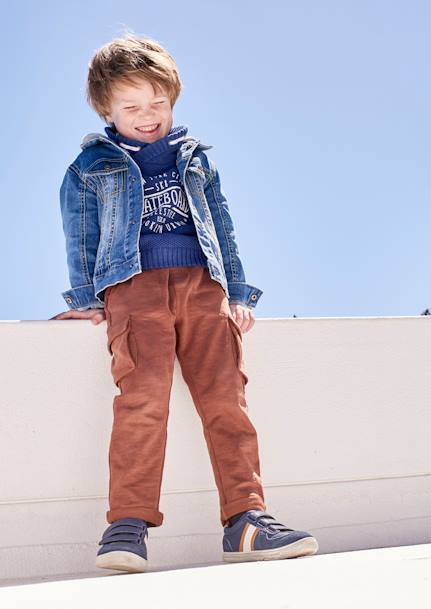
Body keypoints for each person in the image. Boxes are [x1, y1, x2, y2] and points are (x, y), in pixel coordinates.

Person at [51, 33, 318, 572]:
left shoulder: (195, 159)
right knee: (142, 403)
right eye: (131, 107)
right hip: (135, 289)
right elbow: (80, 233)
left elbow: (223, 227)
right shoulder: (90, 167)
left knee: (226, 401)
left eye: (159, 104)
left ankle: (246, 519)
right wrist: (88, 298)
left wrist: (236, 291)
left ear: (173, 100)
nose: (147, 116)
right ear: (107, 108)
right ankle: (127, 525)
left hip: (203, 287)